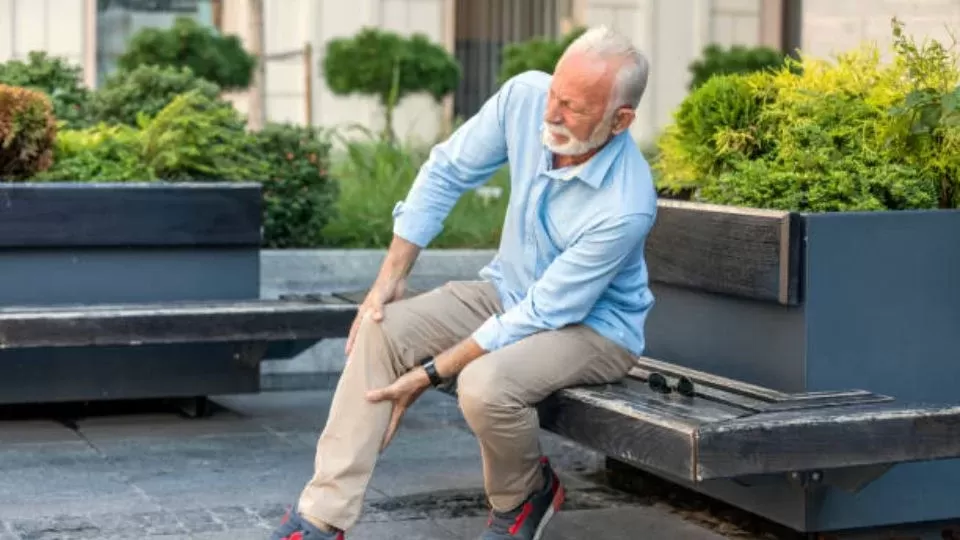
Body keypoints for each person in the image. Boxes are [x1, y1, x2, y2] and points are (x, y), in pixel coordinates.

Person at [271, 25, 656, 540]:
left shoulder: (626, 204)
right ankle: (322, 517)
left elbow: (544, 313)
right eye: (554, 95)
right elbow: (447, 171)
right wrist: (390, 278)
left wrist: (429, 373)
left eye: (574, 108)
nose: (552, 114)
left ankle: (523, 496)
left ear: (620, 120)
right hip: (507, 291)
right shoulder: (524, 98)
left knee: (484, 384)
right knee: (380, 327)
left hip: (592, 329)